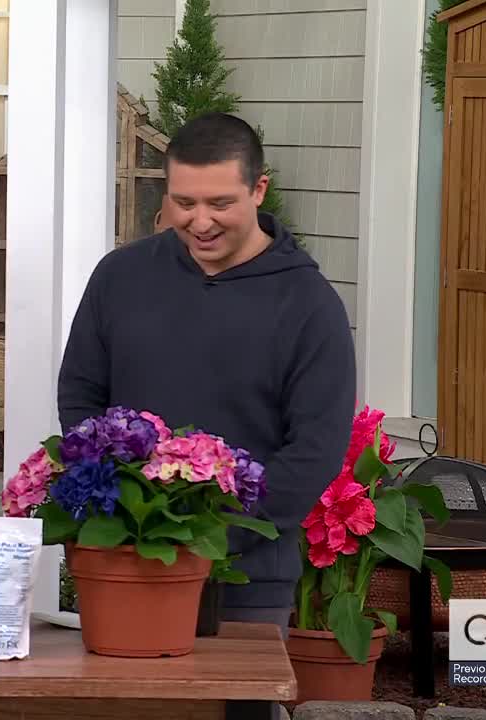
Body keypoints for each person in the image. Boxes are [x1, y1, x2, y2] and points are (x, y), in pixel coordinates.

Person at [56, 112, 356, 636]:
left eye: (219, 204)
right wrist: (126, 515)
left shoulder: (309, 305)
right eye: (183, 202)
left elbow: (316, 449)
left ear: (258, 190)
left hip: (247, 581)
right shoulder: (120, 276)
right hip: (126, 564)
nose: (199, 221)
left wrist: (208, 535)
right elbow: (81, 395)